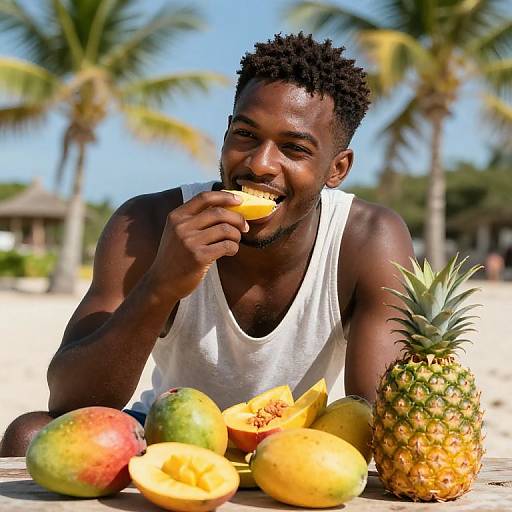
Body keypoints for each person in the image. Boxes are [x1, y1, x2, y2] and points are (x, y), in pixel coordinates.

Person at [0, 33, 414, 456]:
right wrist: (161, 285)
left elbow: (379, 415)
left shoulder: (366, 239)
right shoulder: (145, 223)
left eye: (293, 148)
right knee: (28, 436)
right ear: (226, 134)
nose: (259, 163)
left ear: (337, 168)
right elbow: (71, 402)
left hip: (296, 442)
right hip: (167, 432)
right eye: (246, 135)